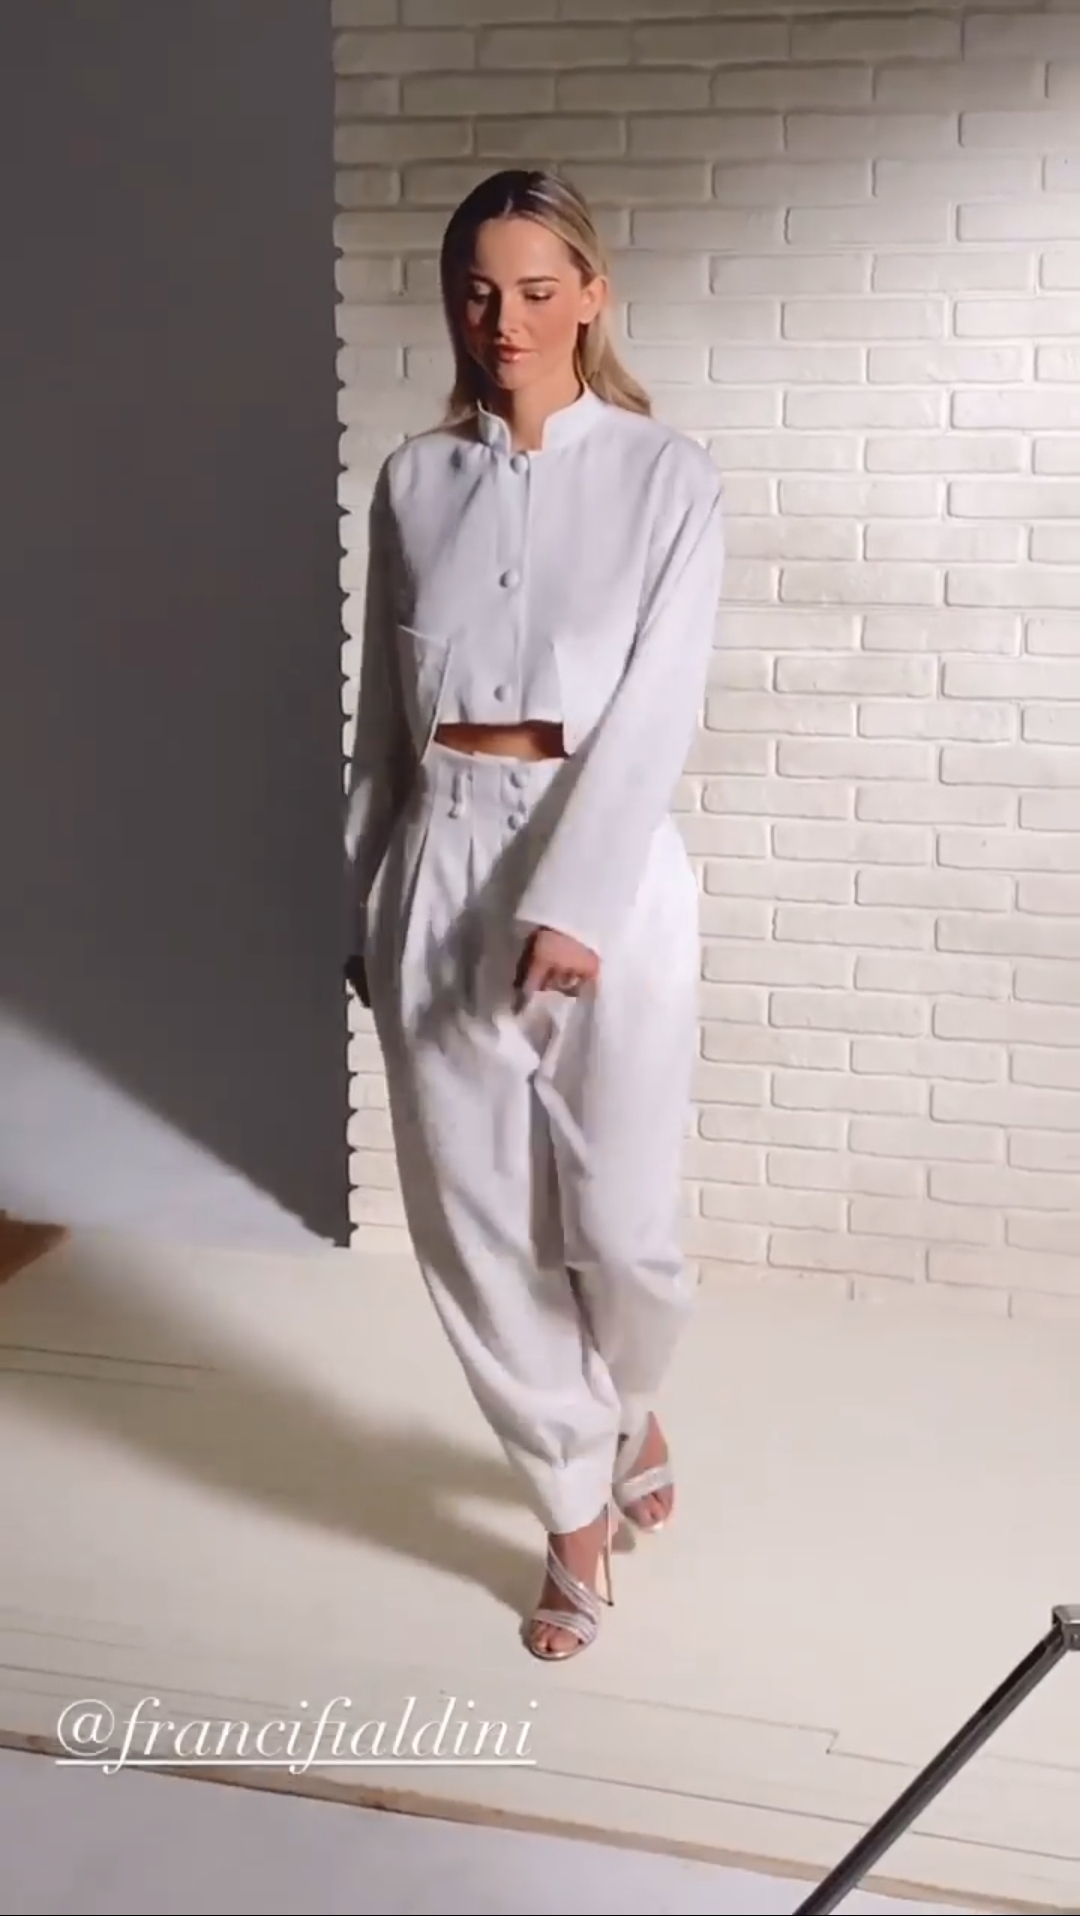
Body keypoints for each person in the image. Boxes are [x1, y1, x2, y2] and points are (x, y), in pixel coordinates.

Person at [345, 168, 724, 1662]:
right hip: (436, 865)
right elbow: (380, 722)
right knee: (478, 1230)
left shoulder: (666, 477)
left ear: (592, 296)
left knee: (621, 1229)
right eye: (479, 291)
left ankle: (627, 1404)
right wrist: (360, 902)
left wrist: (577, 902)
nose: (504, 320)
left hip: (607, 875)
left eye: (538, 290)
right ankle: (570, 1509)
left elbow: (657, 708)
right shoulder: (411, 482)